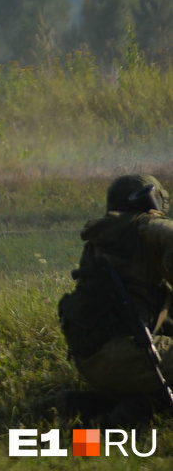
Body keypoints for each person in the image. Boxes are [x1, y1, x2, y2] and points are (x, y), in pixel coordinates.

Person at [57, 172, 173, 424]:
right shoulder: (153, 229)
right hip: (131, 354)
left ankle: (91, 405)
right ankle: (105, 429)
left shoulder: (103, 238)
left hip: (91, 359)